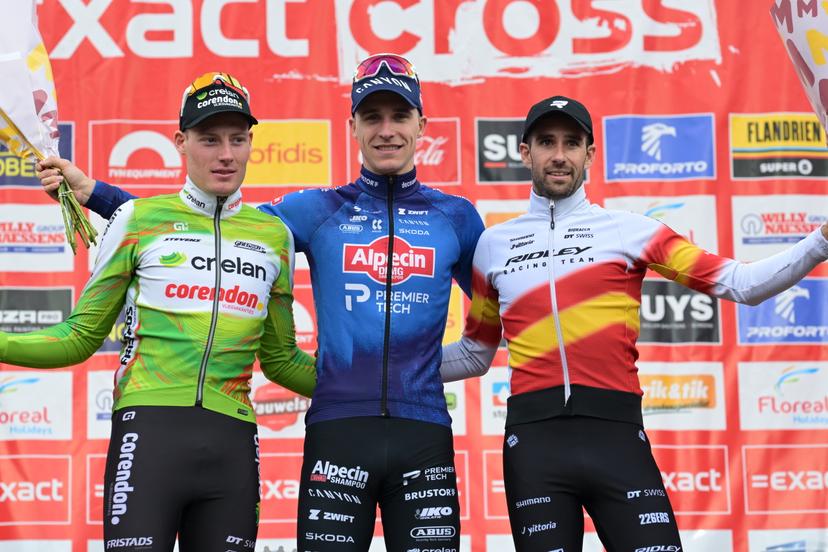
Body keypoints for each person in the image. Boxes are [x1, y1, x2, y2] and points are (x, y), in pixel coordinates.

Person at [39, 55, 484, 551]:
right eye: (371, 117)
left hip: (423, 430)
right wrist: (96, 194)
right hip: (337, 430)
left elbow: (492, 332)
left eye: (399, 116)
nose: (386, 131)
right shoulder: (315, 210)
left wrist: (415, 370)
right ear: (352, 125)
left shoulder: (459, 218)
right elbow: (210, 224)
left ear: (421, 124)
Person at [440, 95, 828, 551]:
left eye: (572, 142)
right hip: (534, 447)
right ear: (525, 152)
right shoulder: (494, 245)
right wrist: (375, 369)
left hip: (616, 437)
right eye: (546, 142)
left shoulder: (631, 230)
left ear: (590, 154)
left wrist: (820, 242)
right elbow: (474, 352)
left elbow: (740, 283)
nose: (559, 155)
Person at [14, 72, 317, 552]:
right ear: (180, 141)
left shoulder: (272, 237)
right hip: (149, 432)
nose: (225, 154)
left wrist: (379, 387)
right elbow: (79, 337)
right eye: (209, 139)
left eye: (238, 139)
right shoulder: (138, 220)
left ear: (251, 143)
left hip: (233, 442)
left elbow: (281, 360)